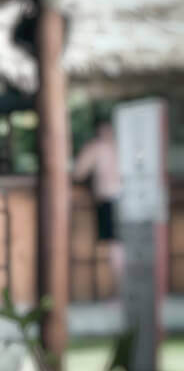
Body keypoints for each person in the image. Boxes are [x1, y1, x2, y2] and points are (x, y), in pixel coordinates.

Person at [72, 116, 123, 283]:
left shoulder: (96, 148)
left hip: (109, 198)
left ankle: (122, 292)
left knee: (116, 246)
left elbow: (78, 172)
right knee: (124, 245)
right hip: (126, 197)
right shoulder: (122, 145)